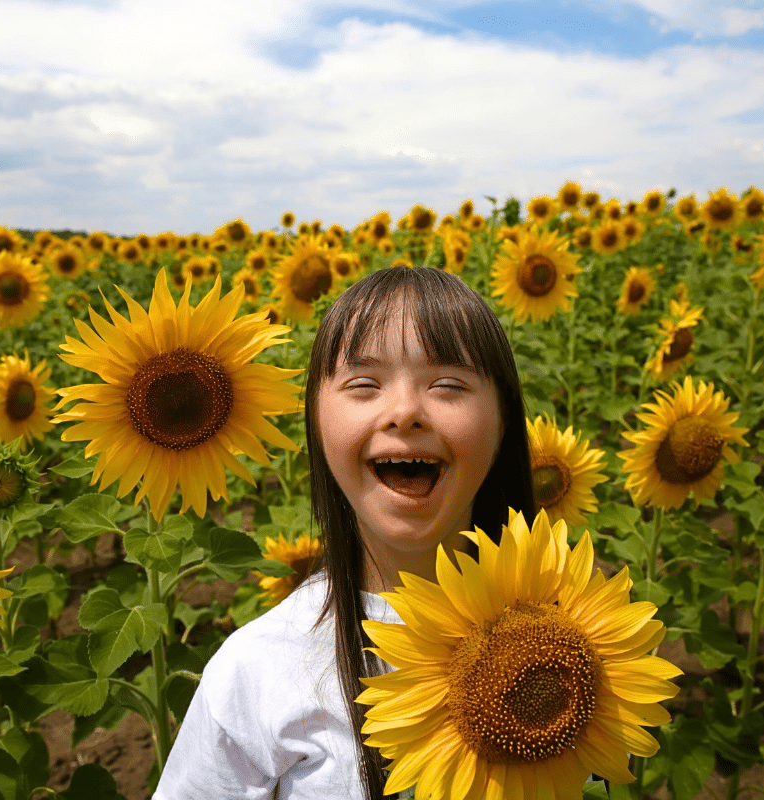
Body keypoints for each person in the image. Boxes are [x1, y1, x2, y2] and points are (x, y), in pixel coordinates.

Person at [153, 266, 535, 799]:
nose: (404, 412)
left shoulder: (575, 644)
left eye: (448, 384)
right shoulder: (260, 670)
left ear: (504, 424)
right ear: (316, 422)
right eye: (364, 385)